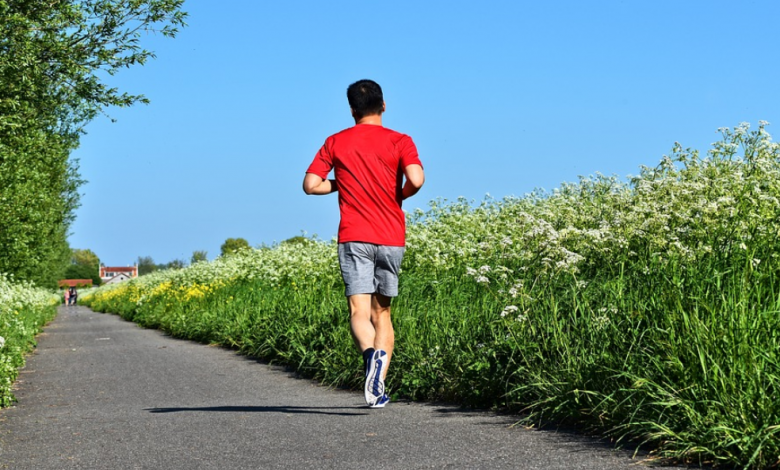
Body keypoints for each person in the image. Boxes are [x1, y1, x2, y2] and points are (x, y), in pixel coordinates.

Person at [303, 79, 425, 408]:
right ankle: (378, 383)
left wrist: (341, 184)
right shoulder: (401, 140)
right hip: (390, 235)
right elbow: (416, 179)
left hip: (354, 235)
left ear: (352, 110)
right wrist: (398, 195)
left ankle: (370, 358)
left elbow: (311, 185)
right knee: (382, 313)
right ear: (383, 106)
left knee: (358, 311)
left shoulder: (336, 142)